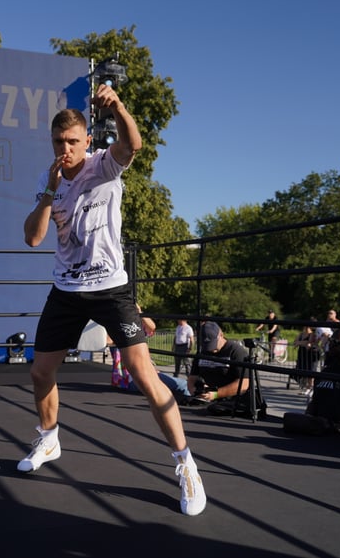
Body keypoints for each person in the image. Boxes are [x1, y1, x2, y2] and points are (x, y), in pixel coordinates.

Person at [19, 87, 206, 516]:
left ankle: (186, 464)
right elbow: (32, 237)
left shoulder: (104, 164)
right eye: (58, 142)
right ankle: (49, 438)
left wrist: (119, 106)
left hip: (110, 288)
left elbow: (133, 144)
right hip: (67, 290)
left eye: (72, 142)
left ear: (86, 141)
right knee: (40, 371)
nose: (65, 150)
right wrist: (49, 192)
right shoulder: (49, 179)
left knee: (144, 374)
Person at [187, 321, 253, 415]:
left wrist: (216, 394)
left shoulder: (236, 351)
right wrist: (195, 391)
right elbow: (192, 379)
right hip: (209, 399)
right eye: (207, 345)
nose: (211, 349)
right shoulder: (203, 352)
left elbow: (244, 384)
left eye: (212, 343)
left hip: (233, 399)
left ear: (221, 335)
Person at [292, 322, 320, 396]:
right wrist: (302, 343)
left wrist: (299, 343)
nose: (306, 328)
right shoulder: (301, 334)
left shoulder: (312, 334)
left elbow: (309, 342)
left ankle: (310, 388)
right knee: (302, 370)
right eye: (305, 327)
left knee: (311, 371)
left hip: (310, 355)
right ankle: (307, 386)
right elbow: (295, 342)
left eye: (308, 327)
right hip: (302, 354)